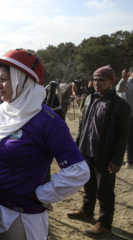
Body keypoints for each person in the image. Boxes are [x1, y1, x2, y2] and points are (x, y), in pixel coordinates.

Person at [0, 49, 90, 240]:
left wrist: (43, 195)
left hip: (19, 214)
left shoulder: (48, 121)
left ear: (23, 80)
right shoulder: (0, 112)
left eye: (4, 79)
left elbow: (79, 171)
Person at [67, 65, 131, 238]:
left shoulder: (121, 105)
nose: (97, 83)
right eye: (95, 79)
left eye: (101, 80)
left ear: (112, 81)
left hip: (105, 155)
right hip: (86, 151)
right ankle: (87, 211)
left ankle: (104, 224)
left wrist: (117, 159)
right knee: (89, 185)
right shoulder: (89, 99)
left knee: (105, 191)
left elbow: (123, 135)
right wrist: (76, 145)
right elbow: (82, 125)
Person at [116, 66, 133, 169]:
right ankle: (129, 161)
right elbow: (120, 89)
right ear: (131, 74)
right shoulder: (128, 83)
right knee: (126, 139)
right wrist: (123, 80)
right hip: (126, 116)